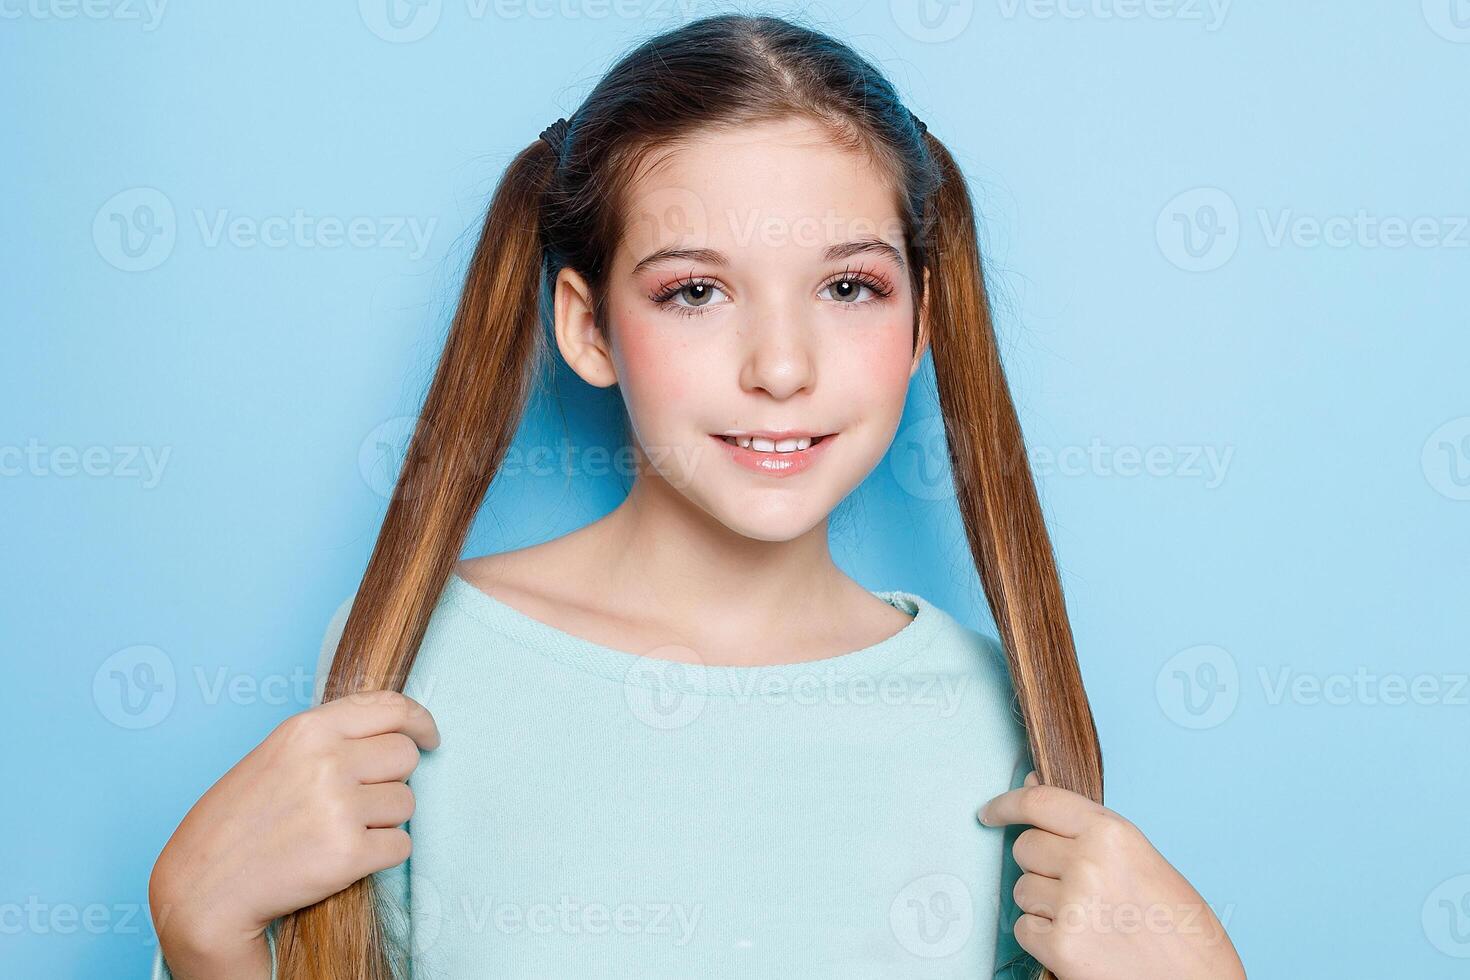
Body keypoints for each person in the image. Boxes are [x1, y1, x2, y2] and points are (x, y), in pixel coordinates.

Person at [147, 14, 1244, 979]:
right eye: (697, 291)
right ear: (587, 326)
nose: (780, 365)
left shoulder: (994, 716)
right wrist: (203, 937)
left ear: (923, 321)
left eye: (849, 285)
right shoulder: (419, 662)